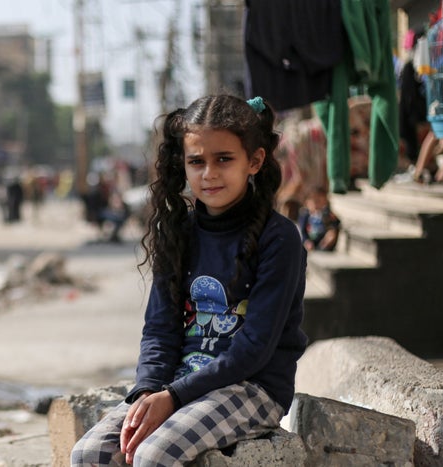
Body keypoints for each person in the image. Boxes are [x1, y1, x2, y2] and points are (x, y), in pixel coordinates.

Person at [71, 94, 308, 466]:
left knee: (152, 456)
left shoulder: (280, 238)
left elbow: (255, 347)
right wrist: (149, 391)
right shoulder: (178, 231)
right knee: (89, 454)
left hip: (253, 387)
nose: (209, 173)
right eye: (196, 161)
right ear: (183, 165)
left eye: (224, 159)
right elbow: (160, 330)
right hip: (182, 380)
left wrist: (175, 396)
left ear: (255, 161)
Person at [297, 187, 340, 252]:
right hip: (310, 241)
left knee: (331, 235)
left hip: (322, 240)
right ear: (307, 203)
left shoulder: (327, 214)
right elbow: (302, 230)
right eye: (314, 202)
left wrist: (333, 227)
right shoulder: (305, 215)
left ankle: (322, 249)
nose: (317, 205)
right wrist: (306, 240)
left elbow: (335, 223)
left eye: (320, 202)